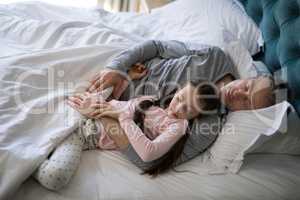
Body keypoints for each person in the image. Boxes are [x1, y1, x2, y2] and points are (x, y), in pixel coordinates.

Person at [86, 40, 276, 171]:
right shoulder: (214, 56)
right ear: (251, 77)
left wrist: (104, 113)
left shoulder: (208, 128)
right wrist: (116, 67)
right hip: (122, 71)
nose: (238, 93)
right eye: (248, 87)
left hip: (106, 115)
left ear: (247, 112)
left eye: (246, 101)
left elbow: (149, 162)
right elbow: (157, 46)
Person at [32, 64, 221, 190]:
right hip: (83, 111)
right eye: (180, 99)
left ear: (197, 116)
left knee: (55, 177)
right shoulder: (151, 101)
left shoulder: (177, 127)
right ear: (178, 90)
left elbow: (148, 153)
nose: (178, 108)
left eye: (188, 109)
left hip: (85, 133)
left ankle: (27, 162)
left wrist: (122, 117)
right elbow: (118, 103)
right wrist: (128, 77)